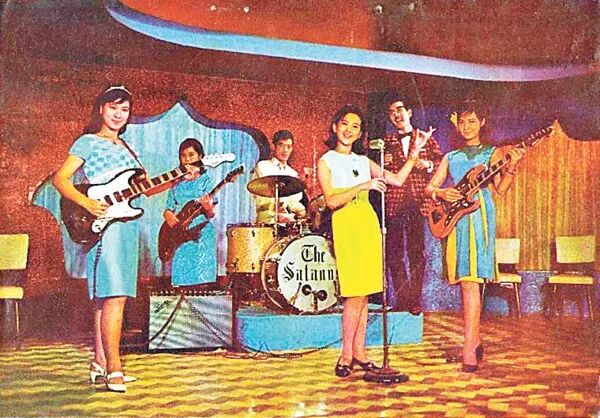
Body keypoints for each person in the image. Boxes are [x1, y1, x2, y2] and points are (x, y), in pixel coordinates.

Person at [317, 104, 433, 377]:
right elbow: (331, 201)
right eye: (344, 124)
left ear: (360, 133)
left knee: (365, 292)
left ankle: (360, 352)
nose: (349, 130)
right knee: (354, 293)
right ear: (335, 127)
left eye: (355, 126)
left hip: (368, 223)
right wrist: (363, 186)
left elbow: (397, 180)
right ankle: (345, 355)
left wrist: (414, 153)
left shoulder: (363, 161)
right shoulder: (326, 161)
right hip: (346, 223)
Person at [53, 85, 142, 392]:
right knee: (114, 294)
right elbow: (60, 179)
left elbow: (138, 189)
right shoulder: (88, 141)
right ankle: (115, 367)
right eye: (113, 107)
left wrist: (178, 176)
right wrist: (86, 203)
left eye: (124, 109)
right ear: (101, 109)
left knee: (108, 297)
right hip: (104, 225)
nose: (118, 114)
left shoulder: (128, 147)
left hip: (127, 224)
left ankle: (99, 362)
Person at [424, 100, 525, 372]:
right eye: (462, 121)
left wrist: (512, 166)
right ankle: (475, 341)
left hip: (480, 218)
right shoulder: (451, 157)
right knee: (466, 283)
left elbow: (501, 189)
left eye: (472, 121)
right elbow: (430, 188)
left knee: (472, 281)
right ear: (457, 125)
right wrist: (442, 193)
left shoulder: (492, 153)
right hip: (456, 221)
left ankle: (468, 347)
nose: (467, 126)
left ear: (482, 123)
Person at [375, 92, 442, 315]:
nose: (396, 115)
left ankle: (414, 300)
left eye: (400, 110)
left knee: (416, 253)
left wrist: (428, 164)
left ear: (410, 112)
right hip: (394, 203)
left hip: (417, 202)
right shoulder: (385, 142)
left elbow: (441, 164)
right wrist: (383, 163)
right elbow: (376, 171)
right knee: (394, 254)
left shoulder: (425, 137)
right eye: (391, 112)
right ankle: (402, 299)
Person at [163, 138, 217, 286]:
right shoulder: (176, 182)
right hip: (180, 234)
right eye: (183, 155)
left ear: (200, 156)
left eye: (191, 154)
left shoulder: (206, 180)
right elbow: (169, 206)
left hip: (201, 234)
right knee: (182, 280)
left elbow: (211, 214)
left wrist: (207, 207)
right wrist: (167, 214)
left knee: (201, 282)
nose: (187, 159)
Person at [253, 130, 306, 224]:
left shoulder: (292, 173)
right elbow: (266, 196)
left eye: (289, 147)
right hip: (267, 222)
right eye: (281, 145)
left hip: (288, 223)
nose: (285, 150)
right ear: (274, 146)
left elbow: (296, 202)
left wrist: (301, 211)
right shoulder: (263, 166)